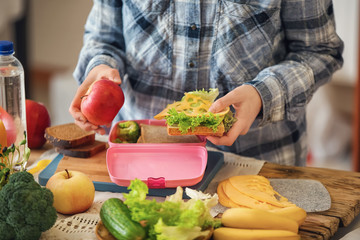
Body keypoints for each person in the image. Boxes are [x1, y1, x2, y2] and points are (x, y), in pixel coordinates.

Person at [69, 0, 343, 166]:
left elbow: (320, 51)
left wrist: (263, 95)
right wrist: (100, 66)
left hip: (260, 164)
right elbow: (104, 38)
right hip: (144, 159)